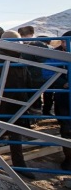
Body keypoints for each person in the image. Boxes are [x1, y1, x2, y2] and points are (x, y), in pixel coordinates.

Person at [0, 30, 35, 179]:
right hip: (0, 103)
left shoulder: (19, 58)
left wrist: (30, 102)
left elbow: (27, 81)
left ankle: (18, 165)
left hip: (15, 104)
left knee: (13, 136)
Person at [45, 30, 71, 170]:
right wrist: (62, 83)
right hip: (63, 96)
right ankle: (68, 159)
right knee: (66, 128)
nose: (66, 44)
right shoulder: (56, 55)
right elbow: (47, 72)